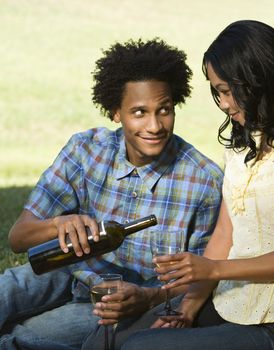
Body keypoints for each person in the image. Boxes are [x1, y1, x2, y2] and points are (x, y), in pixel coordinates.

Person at [118, 20, 274, 350]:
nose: (223, 103)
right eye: (218, 92)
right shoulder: (240, 147)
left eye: (226, 90)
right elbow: (225, 234)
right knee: (112, 337)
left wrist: (213, 268)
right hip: (228, 304)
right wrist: (188, 309)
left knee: (140, 348)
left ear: (258, 81)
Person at [0, 38, 223, 350]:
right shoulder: (84, 150)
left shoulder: (203, 181)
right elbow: (18, 238)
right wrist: (58, 226)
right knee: (7, 290)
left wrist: (148, 298)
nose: (155, 125)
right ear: (115, 111)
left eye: (165, 110)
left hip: (112, 303)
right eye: (139, 112)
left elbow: (201, 279)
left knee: (24, 338)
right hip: (62, 271)